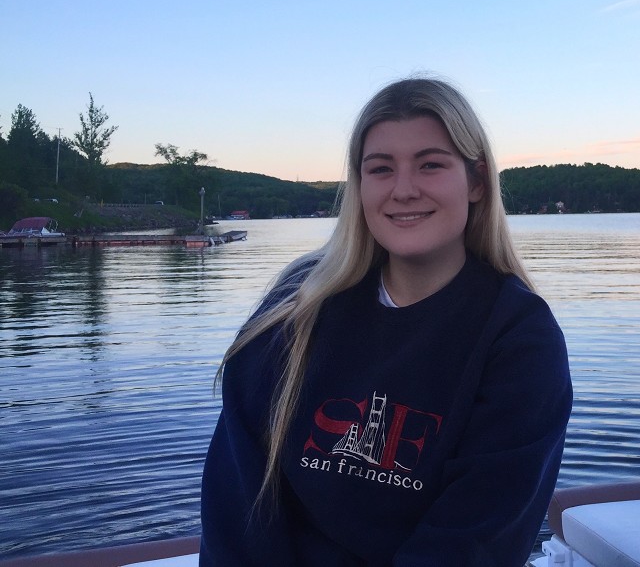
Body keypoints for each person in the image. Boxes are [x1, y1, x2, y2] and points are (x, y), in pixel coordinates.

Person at [200, 77, 573, 566]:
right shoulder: (298, 303)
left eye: (431, 164)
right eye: (381, 169)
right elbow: (237, 501)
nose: (403, 190)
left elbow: (476, 539)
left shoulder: (519, 337)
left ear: (477, 181)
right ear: (359, 186)